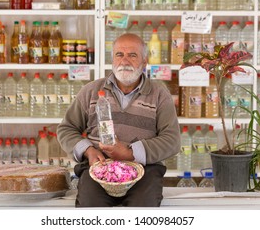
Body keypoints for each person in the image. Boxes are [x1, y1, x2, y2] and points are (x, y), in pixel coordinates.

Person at [57, 33, 180, 207]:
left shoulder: (159, 94)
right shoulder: (91, 91)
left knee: (141, 211)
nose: (125, 61)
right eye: (119, 55)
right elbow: (66, 129)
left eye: (132, 55)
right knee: (91, 209)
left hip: (144, 171)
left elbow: (172, 141)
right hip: (98, 168)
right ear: (112, 59)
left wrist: (130, 154)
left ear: (144, 62)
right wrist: (89, 151)